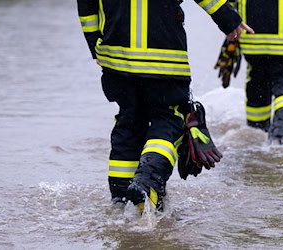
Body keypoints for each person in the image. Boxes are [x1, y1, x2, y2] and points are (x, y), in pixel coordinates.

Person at [77, 0, 253, 211]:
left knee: (128, 123)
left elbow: (86, 6)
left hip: (116, 59)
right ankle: (147, 180)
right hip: (165, 59)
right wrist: (229, 19)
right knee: (169, 120)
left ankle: (120, 200)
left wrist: (94, 44)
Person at [215, 0, 283, 145]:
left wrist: (231, 32)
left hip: (252, 40)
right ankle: (280, 138)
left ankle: (255, 138)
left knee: (257, 87)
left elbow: (228, 4)